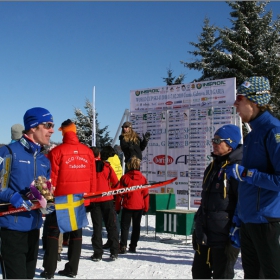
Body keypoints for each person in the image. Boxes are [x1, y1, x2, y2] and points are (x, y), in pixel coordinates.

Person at [225, 76, 280, 279]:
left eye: (240, 98)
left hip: (267, 221)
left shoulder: (274, 131)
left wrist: (247, 174)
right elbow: (247, 184)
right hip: (249, 221)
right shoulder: (252, 134)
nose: (235, 103)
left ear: (255, 101)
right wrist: (239, 218)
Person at [0, 107, 54, 279]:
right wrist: (12, 196)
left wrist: (47, 204)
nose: (51, 130)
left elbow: (45, 192)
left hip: (33, 228)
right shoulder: (9, 152)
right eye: (48, 125)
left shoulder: (44, 161)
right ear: (33, 127)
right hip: (12, 229)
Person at [41, 119, 96, 279]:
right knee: (76, 233)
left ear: (63, 132)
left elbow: (51, 178)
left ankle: (49, 270)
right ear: (75, 131)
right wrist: (88, 200)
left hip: (60, 200)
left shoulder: (57, 152)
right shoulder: (88, 152)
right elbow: (92, 178)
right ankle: (72, 268)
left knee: (52, 233)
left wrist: (49, 199)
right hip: (79, 200)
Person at [192, 124, 242, 279]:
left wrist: (236, 231)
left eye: (217, 140)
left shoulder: (238, 169)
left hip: (225, 237)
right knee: (199, 273)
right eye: (213, 139)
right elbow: (206, 200)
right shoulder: (212, 166)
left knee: (223, 275)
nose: (213, 143)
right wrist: (198, 226)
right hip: (205, 235)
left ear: (230, 143)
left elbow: (243, 203)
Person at [88, 147, 120, 261]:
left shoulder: (88, 167)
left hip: (94, 200)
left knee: (97, 228)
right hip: (107, 199)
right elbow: (116, 182)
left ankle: (98, 253)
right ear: (99, 155)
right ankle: (114, 251)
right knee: (111, 226)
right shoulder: (107, 167)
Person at [115, 156, 149, 254]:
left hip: (127, 206)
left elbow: (120, 194)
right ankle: (133, 245)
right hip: (139, 206)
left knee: (125, 227)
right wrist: (146, 208)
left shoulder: (124, 178)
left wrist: (117, 207)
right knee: (136, 227)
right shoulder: (143, 179)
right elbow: (145, 195)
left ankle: (123, 245)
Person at [101, 145, 123, 249]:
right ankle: (112, 240)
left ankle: (114, 241)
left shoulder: (108, 163)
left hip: (111, 191)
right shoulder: (116, 159)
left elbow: (109, 177)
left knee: (112, 219)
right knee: (113, 218)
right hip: (118, 189)